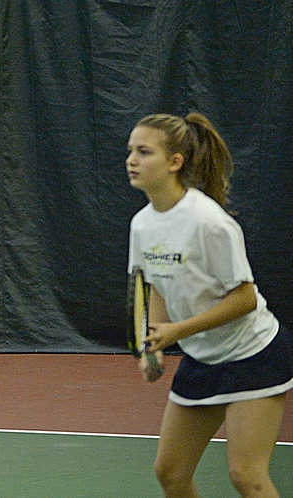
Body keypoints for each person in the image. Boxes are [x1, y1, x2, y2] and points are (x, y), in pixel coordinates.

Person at [126, 112, 292, 497]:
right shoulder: (141, 225)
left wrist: (178, 332)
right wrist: (152, 344)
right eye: (131, 150)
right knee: (171, 473)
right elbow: (152, 285)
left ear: (174, 162)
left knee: (246, 476)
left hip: (253, 356)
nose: (132, 160)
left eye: (144, 151)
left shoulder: (209, 223)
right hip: (204, 358)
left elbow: (245, 298)